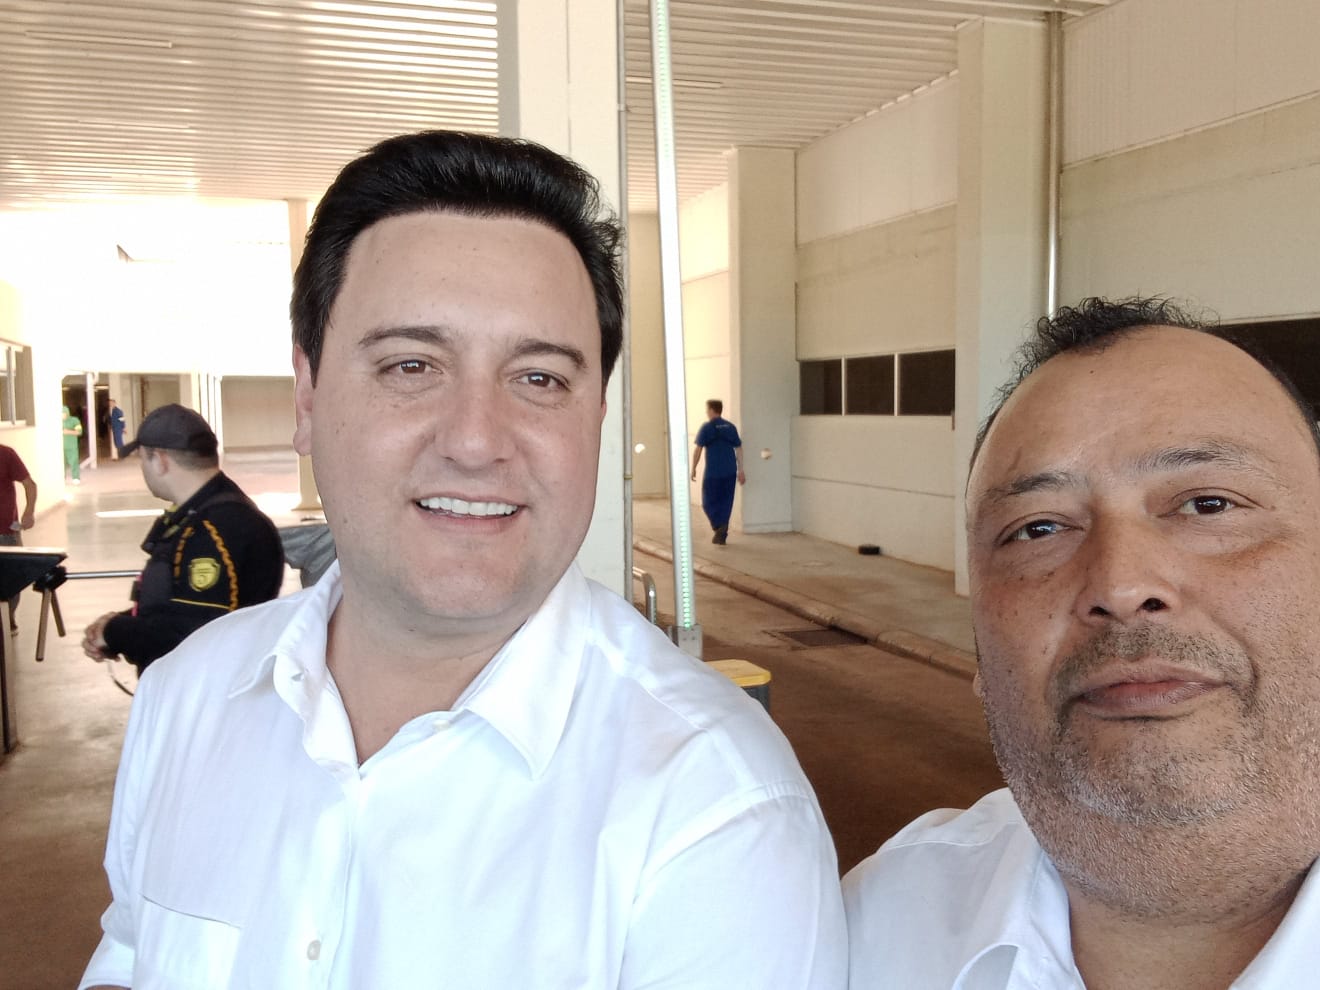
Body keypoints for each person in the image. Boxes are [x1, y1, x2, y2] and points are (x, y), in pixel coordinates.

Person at [80, 132, 845, 990]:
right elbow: (131, 957)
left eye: (540, 378)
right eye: (412, 365)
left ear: (595, 414)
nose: (477, 441)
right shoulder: (188, 697)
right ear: (307, 396)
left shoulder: (718, 811)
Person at [844, 297, 1320, 990]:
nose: (1120, 585)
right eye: (1038, 528)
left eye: (1208, 504)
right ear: (981, 651)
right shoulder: (875, 928)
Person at [80, 403, 285, 676]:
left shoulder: (214, 530)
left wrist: (114, 631)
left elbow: (194, 634)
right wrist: (122, 623)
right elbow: (180, 607)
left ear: (160, 461)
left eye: (142, 459)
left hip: (209, 693)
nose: (142, 469)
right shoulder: (205, 515)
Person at [690, 398, 745, 545]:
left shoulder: (707, 427)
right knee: (726, 502)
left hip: (713, 473)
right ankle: (722, 529)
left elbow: (698, 449)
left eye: (707, 409)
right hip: (730, 471)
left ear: (711, 410)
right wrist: (741, 470)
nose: (706, 412)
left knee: (707, 502)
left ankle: (718, 526)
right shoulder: (730, 427)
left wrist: (693, 467)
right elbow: (739, 448)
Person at [0, 443, 37, 633]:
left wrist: (29, 512)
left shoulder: (5, 453)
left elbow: (29, 484)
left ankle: (8, 619)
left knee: (11, 580)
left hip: (6, 532)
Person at [62, 403, 83, 484]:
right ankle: (62, 478)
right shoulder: (57, 422)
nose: (62, 415)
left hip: (72, 446)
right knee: (61, 463)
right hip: (61, 447)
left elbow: (79, 432)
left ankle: (76, 477)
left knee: (74, 461)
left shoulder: (74, 420)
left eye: (63, 413)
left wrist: (67, 432)